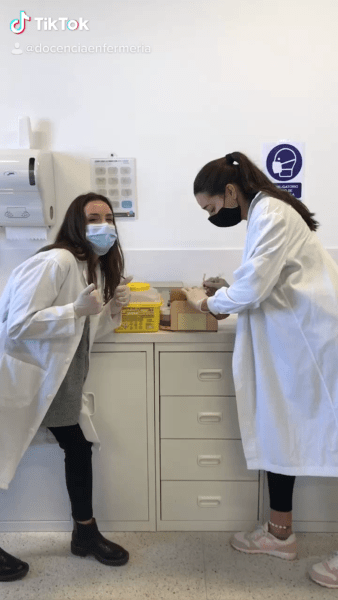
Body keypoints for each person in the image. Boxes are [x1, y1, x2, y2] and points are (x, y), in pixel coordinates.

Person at [182, 151, 338, 589]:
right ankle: (279, 535)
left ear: (230, 191)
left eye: (212, 207)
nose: (214, 215)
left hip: (316, 342)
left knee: (333, 436)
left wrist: (206, 303)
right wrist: (229, 289)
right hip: (293, 342)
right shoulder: (265, 213)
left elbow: (255, 288)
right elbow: (267, 281)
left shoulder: (271, 211)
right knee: (278, 431)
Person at [0, 192, 132, 582]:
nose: (104, 225)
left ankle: (85, 534)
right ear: (76, 222)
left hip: (60, 382)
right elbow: (17, 325)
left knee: (78, 447)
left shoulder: (90, 267)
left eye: (109, 218)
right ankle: (86, 533)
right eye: (94, 218)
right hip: (23, 377)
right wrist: (73, 309)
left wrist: (114, 309)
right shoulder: (56, 260)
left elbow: (86, 332)